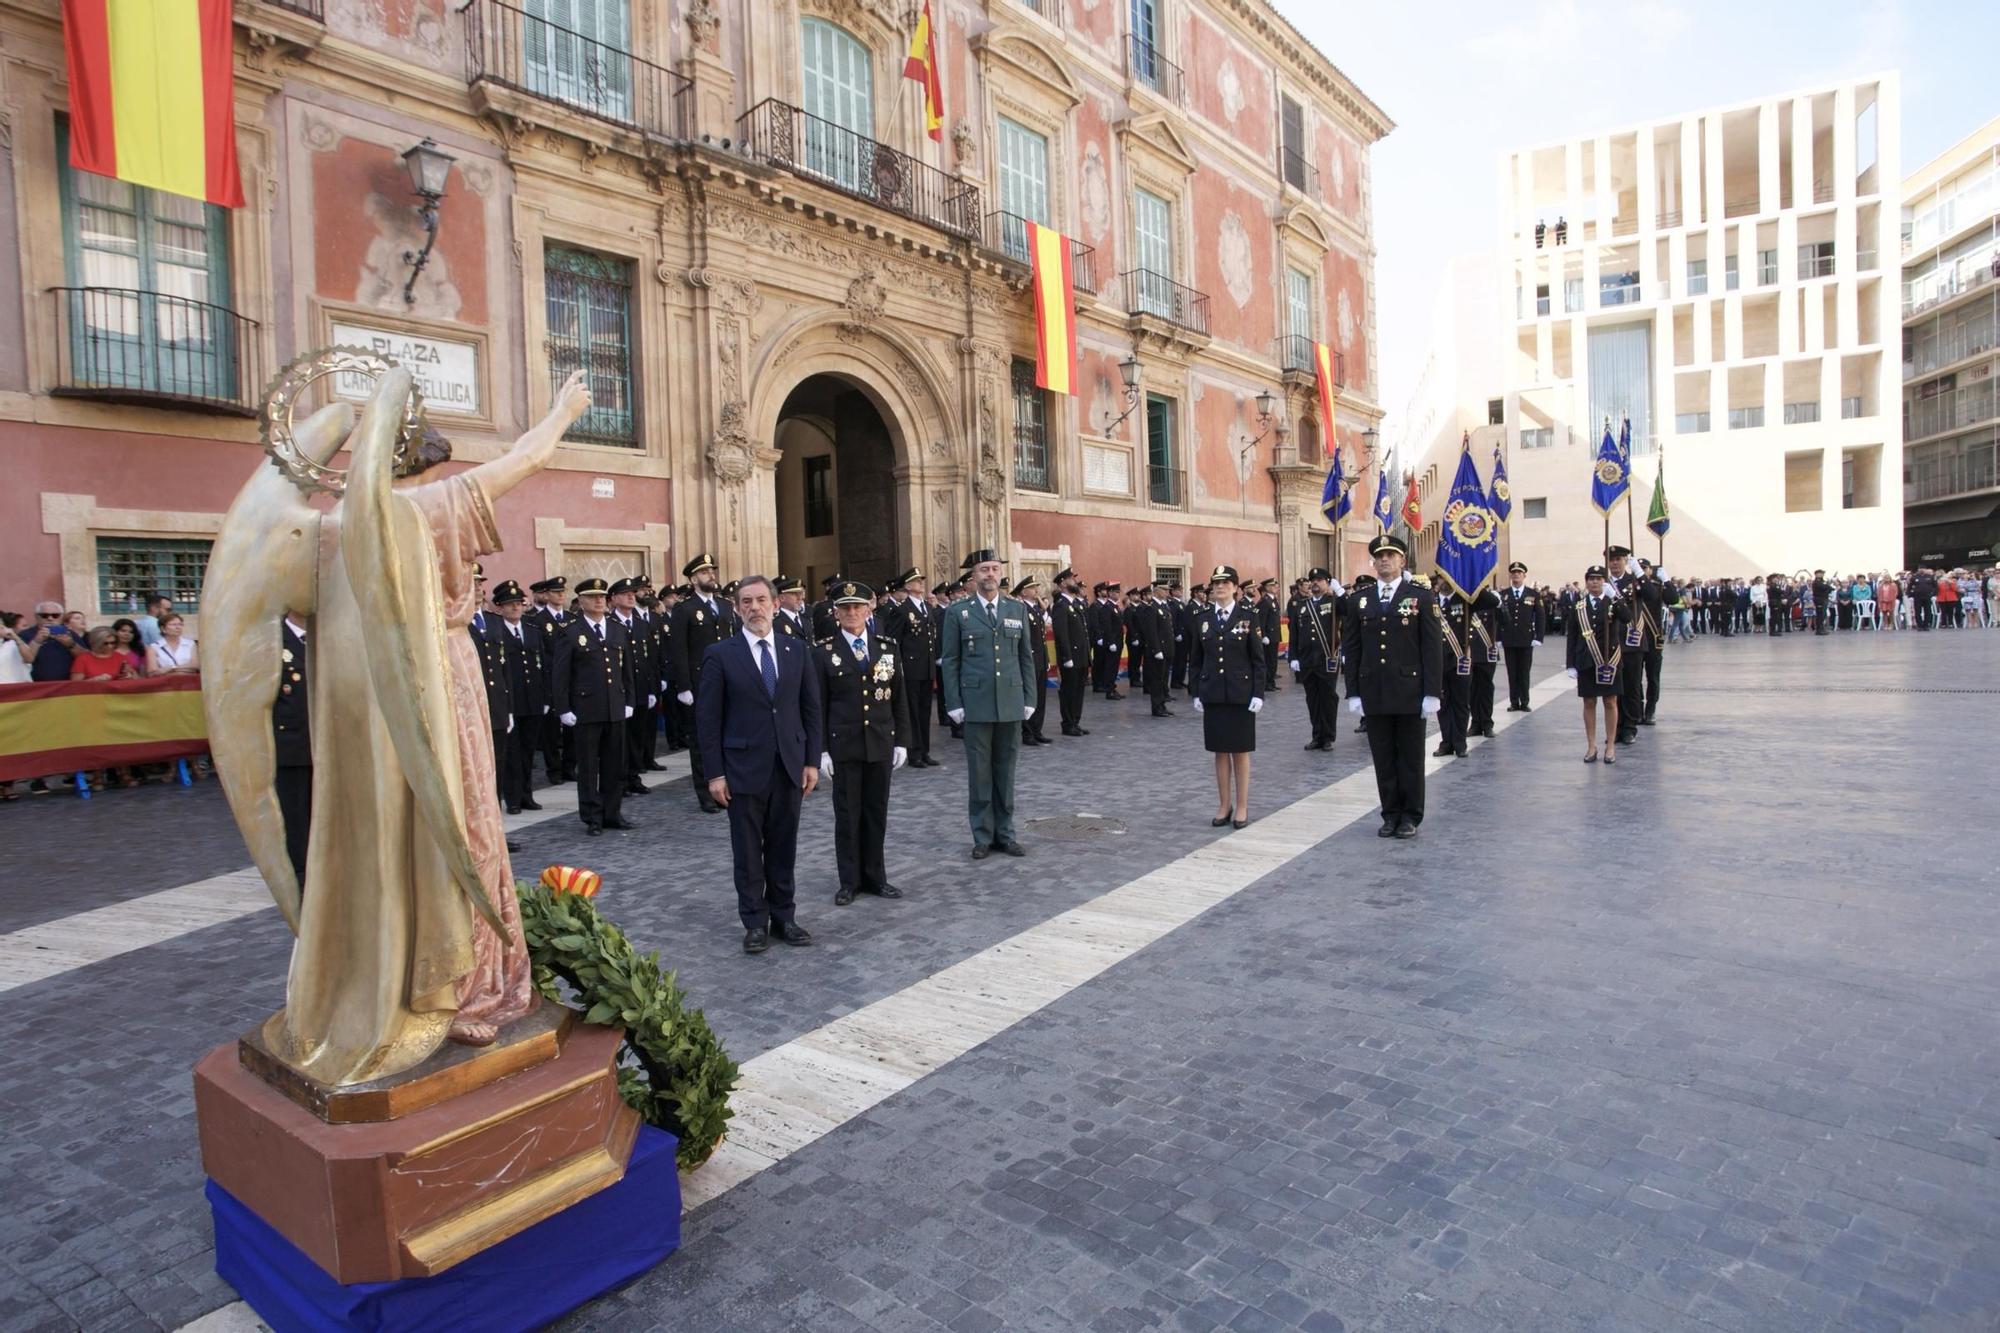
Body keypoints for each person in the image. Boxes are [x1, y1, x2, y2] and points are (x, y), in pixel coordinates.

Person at [697, 575, 822, 953]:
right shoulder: (720, 654)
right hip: (742, 769)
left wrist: (812, 761)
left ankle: (784, 916)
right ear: (736, 609)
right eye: (746, 602)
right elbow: (708, 719)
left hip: (789, 765)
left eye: (761, 600)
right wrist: (715, 773)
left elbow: (810, 708)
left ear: (776, 604)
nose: (755, 608)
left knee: (784, 846)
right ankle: (754, 921)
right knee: (749, 851)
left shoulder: (795, 650)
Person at [814, 580, 910, 907]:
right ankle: (849, 881)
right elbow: (819, 706)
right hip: (844, 746)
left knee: (876, 812)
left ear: (869, 609)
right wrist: (821, 750)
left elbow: (899, 698)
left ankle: (876, 876)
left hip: (880, 742)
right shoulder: (823, 651)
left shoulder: (886, 647)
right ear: (835, 613)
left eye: (857, 607)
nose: (852, 613)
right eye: (845, 608)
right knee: (847, 814)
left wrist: (902, 741)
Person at [1342, 535, 1442, 839]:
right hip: (1375, 691)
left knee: (1410, 757)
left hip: (1410, 691)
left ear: (1402, 561)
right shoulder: (1361, 600)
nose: (1384, 560)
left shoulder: (1421, 597)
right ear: (1373, 562)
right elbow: (1352, 647)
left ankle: (1410, 815)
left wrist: (1432, 692)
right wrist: (1353, 691)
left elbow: (1431, 647)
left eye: (1391, 555)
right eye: (1380, 556)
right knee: (1383, 756)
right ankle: (1390, 813)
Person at [940, 549, 1037, 860]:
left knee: (1006, 772)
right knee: (980, 773)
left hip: (1010, 700)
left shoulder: (1015, 609)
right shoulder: (958, 612)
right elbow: (951, 660)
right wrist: (953, 702)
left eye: (995, 568)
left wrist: (1030, 697)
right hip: (976, 702)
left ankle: (1006, 834)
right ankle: (982, 835)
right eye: (984, 570)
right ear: (974, 576)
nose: (990, 574)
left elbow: (1026, 656)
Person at [551, 577, 639, 837]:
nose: (599, 600)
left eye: (602, 596)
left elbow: (627, 670)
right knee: (588, 767)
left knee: (615, 765)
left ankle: (612, 812)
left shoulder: (617, 629)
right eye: (592, 597)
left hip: (615, 706)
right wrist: (563, 708)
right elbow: (561, 675)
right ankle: (592, 816)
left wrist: (630, 700)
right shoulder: (571, 631)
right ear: (581, 601)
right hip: (586, 709)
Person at [1189, 565, 1264, 828]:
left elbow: (1258, 659)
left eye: (1225, 583)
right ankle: (1224, 804)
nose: (1219, 588)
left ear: (1235, 588)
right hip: (1213, 694)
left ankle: (1242, 806)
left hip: (1241, 694)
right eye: (1215, 584)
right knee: (1220, 752)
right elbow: (1196, 659)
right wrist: (1195, 691)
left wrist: (1258, 693)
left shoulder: (1249, 615)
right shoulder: (1202, 617)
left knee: (1240, 752)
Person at [670, 554, 737, 812]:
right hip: (700, 683)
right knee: (701, 741)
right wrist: (684, 686)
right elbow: (678, 650)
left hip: (727, 681)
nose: (711, 575)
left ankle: (727, 788)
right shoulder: (684, 609)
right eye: (705, 572)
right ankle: (706, 793)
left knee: (727, 736)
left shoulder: (723, 606)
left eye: (712, 570)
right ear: (693, 578)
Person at [491, 580, 547, 815]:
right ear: (499, 607)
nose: (515, 608)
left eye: (518, 603)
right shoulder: (496, 631)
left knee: (528, 752)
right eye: (509, 604)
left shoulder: (532, 630)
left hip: (532, 698)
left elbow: (542, 665)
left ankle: (526, 794)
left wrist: (545, 697)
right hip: (511, 701)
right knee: (511, 754)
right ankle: (512, 798)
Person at [1567, 565, 1630, 764]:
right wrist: (1571, 664)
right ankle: (1591, 745)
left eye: (1599, 578)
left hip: (1609, 660)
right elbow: (1573, 635)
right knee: (1589, 702)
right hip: (1586, 660)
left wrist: (1617, 598)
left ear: (1604, 581)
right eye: (1591, 579)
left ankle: (1610, 745)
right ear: (1586, 581)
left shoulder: (1613, 601)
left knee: (1610, 702)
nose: (1595, 582)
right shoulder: (1579, 605)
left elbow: (1627, 618)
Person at [883, 568, 940, 766]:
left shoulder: (926, 607)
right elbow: (893, 642)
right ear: (907, 585)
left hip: (926, 668)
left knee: (925, 711)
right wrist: (896, 669)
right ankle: (914, 752)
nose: (921, 583)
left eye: (921, 580)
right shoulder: (901, 610)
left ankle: (925, 750)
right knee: (913, 713)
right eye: (916, 581)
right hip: (910, 669)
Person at [275, 613, 312, 884]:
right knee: (297, 814)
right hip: (293, 746)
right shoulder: (274, 641)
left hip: (327, 745)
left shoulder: (324, 639)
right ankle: (300, 872)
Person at [1289, 566, 1340, 750]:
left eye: (1320, 580)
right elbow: (1294, 632)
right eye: (1313, 580)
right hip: (1307, 659)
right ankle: (1317, 735)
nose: (1315, 583)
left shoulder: (1334, 601)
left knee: (1328, 698)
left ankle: (1328, 737)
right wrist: (1293, 656)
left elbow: (1350, 610)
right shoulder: (1302, 605)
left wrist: (1340, 591)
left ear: (1327, 583)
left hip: (1327, 658)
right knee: (1312, 699)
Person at [530, 576, 574, 782]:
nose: (560, 595)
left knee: (572, 727)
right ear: (546, 595)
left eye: (562, 592)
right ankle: (554, 769)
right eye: (556, 592)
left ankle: (569, 766)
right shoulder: (537, 621)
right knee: (550, 731)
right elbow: (540, 652)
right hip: (549, 679)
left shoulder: (571, 618)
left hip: (571, 681)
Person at [1049, 567, 1090, 737]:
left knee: (1079, 690)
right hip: (1071, 657)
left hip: (1081, 656)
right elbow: (1061, 633)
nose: (1074, 582)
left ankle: (1075, 721)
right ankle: (1067, 724)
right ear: (1063, 583)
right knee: (1068, 691)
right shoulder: (1061, 606)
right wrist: (1066, 657)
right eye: (1072, 579)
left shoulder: (1074, 604)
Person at [1495, 561, 1542, 711]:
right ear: (1510, 575)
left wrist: (1538, 637)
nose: (1516, 575)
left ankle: (1525, 701)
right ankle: (1514, 702)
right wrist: (1498, 638)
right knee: (1512, 671)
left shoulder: (1533, 594)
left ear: (1524, 576)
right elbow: (1497, 618)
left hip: (1526, 639)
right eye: (1513, 573)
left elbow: (1540, 616)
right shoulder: (1504, 595)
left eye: (1519, 573)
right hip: (1509, 639)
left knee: (1524, 671)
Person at [1433, 591, 1475, 759]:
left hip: (1460, 660)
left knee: (1461, 703)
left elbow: (1491, 601)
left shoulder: (1465, 600)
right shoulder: (1431, 600)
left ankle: (1460, 743)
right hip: (1438, 660)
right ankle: (1446, 742)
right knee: (1443, 705)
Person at [1013, 575, 1053, 742]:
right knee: (1029, 696)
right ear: (1023, 591)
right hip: (1029, 659)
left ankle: (1037, 729)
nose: (1036, 590)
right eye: (1032, 587)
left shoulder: (1035, 609)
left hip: (1040, 659)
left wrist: (1047, 658)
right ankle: (1027, 732)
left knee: (1040, 697)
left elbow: (1041, 637)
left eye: (1036, 586)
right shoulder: (1021, 609)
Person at [19, 602, 79, 682]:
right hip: (34, 685)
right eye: (44, 615)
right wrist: (36, 641)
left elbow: (85, 657)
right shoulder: (25, 635)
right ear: (36, 617)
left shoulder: (70, 634)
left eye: (55, 615)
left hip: (65, 684)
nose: (50, 618)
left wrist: (71, 645)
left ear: (61, 617)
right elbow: (23, 659)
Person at [1088, 581, 1124, 698]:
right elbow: (1104, 626)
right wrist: (1107, 640)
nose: (1119, 594)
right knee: (1105, 665)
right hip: (1109, 641)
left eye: (1119, 592)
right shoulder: (1106, 607)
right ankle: (1107, 688)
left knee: (1112, 666)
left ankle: (1110, 687)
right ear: (1110, 593)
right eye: (1116, 592)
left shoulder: (1114, 607)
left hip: (1117, 641)